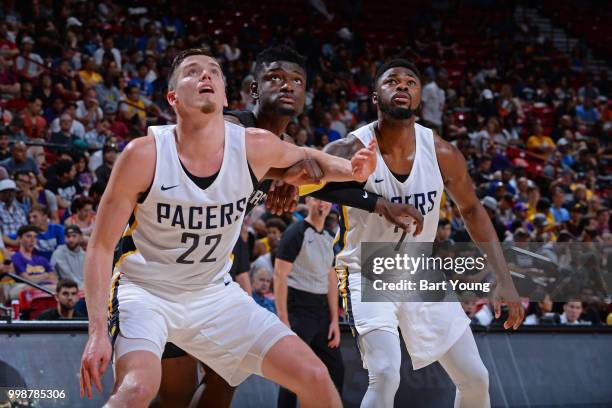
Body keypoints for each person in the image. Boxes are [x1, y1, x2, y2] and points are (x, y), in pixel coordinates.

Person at [79, 48, 378, 407]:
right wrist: (97, 331)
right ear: (172, 97)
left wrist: (353, 170)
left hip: (214, 293)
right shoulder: (142, 155)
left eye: (214, 72)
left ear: (224, 95)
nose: (205, 76)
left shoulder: (258, 146)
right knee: (138, 389)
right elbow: (98, 246)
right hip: (147, 292)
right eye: (192, 71)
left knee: (315, 377)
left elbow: (310, 159)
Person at [156, 45, 423, 408]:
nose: (288, 86)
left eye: (297, 81)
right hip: (163, 276)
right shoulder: (235, 126)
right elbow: (229, 143)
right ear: (253, 89)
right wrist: (282, 169)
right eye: (276, 78)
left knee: (225, 380)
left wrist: (379, 204)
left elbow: (328, 183)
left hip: (209, 282)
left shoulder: (286, 154)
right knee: (173, 396)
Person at [325, 59, 523, 408]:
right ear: (375, 96)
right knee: (385, 373)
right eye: (392, 81)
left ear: (420, 99)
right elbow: (307, 181)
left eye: (410, 83)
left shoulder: (442, 152)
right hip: (365, 271)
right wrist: (375, 202)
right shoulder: (352, 147)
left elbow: (474, 211)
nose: (402, 87)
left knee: (476, 379)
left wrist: (503, 278)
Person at [274, 196, 344, 407]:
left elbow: (332, 279)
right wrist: (284, 319)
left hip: (322, 312)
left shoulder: (330, 237)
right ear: (308, 201)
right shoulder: (295, 233)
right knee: (292, 375)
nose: (321, 204)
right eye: (316, 199)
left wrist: (334, 320)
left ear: (331, 205)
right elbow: (279, 275)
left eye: (325, 201)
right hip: (298, 309)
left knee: (336, 370)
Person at [9, 224, 57, 300]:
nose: (32, 240)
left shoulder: (42, 259)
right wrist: (46, 275)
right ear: (19, 239)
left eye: (35, 237)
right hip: (28, 289)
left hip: (47, 289)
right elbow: (27, 279)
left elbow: (54, 279)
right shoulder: (16, 257)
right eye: (28, 236)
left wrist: (42, 277)